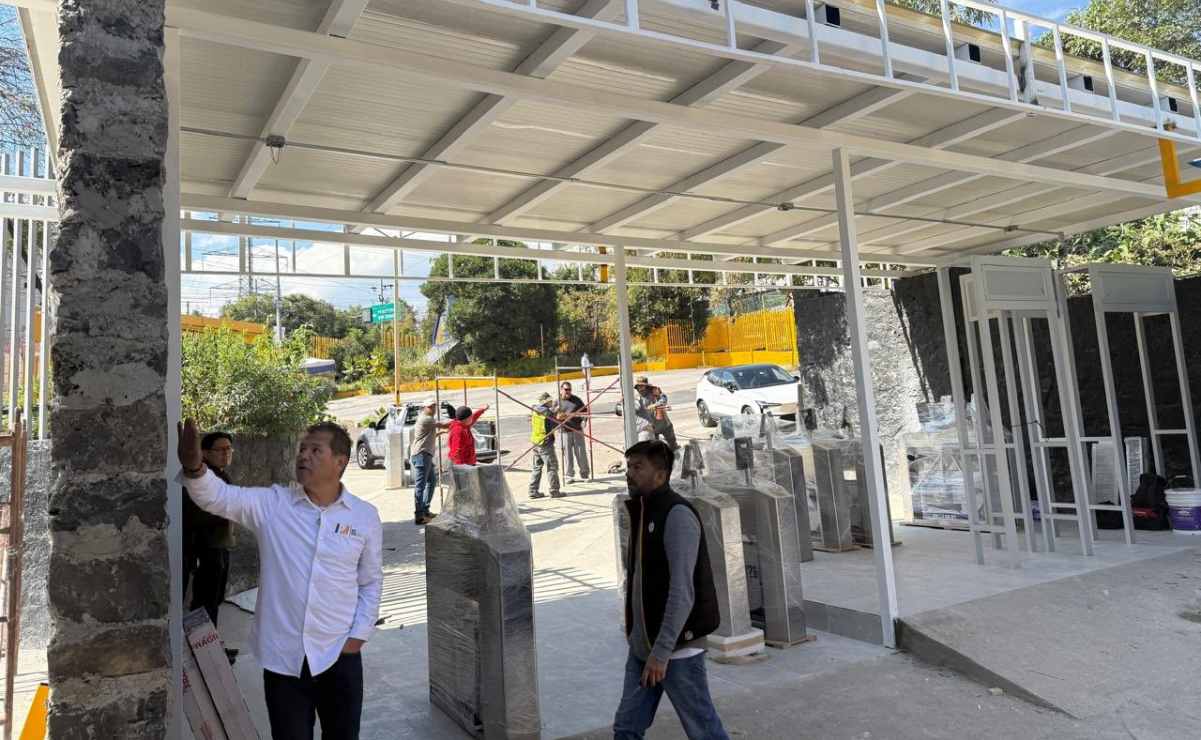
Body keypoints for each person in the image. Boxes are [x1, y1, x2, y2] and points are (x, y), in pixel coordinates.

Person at [179, 419, 383, 740]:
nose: (304, 456)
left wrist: (358, 635)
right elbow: (220, 497)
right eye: (302, 449)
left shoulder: (364, 516)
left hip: (339, 656)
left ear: (340, 462)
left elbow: (370, 581)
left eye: (316, 450)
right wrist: (195, 469)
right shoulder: (274, 505)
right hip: (283, 661)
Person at [614, 440, 725, 740]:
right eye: (628, 466)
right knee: (626, 728)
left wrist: (661, 653)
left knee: (703, 730)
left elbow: (682, 591)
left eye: (638, 467)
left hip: (676, 652)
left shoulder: (676, 515)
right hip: (643, 647)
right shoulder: (643, 511)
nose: (629, 474)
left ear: (660, 475)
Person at [182, 431, 239, 662]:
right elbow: (197, 514)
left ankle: (211, 647)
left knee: (214, 601)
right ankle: (204, 653)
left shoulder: (218, 475)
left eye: (229, 449)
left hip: (219, 547)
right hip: (206, 549)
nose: (226, 454)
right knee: (205, 603)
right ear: (204, 453)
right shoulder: (202, 478)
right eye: (220, 450)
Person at [409, 399, 450, 526]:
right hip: (421, 455)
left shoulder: (427, 419)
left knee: (431, 482)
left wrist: (441, 433)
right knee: (420, 486)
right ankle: (419, 516)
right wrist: (458, 421)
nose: (433, 409)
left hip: (425, 455)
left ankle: (425, 510)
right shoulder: (427, 419)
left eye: (434, 406)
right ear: (425, 408)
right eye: (431, 407)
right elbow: (443, 424)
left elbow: (428, 435)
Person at [529, 392, 563, 499]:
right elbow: (554, 423)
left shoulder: (535, 410)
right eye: (550, 401)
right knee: (552, 466)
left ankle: (533, 490)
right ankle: (554, 490)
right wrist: (559, 418)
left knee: (537, 467)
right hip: (545, 443)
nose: (552, 402)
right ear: (547, 401)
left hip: (536, 442)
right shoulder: (547, 413)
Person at [558, 381, 591, 483]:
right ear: (561, 390)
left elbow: (585, 412)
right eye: (566, 390)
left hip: (577, 430)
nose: (568, 392)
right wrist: (558, 417)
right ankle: (569, 475)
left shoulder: (576, 400)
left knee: (581, 453)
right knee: (567, 455)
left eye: (569, 390)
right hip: (564, 432)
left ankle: (584, 474)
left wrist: (584, 421)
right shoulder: (557, 402)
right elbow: (553, 416)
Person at [634, 377, 678, 450]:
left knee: (673, 445)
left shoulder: (654, 391)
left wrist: (655, 405)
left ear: (646, 386)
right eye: (638, 387)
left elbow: (664, 399)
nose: (640, 389)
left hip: (664, 424)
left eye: (642, 386)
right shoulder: (637, 399)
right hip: (652, 428)